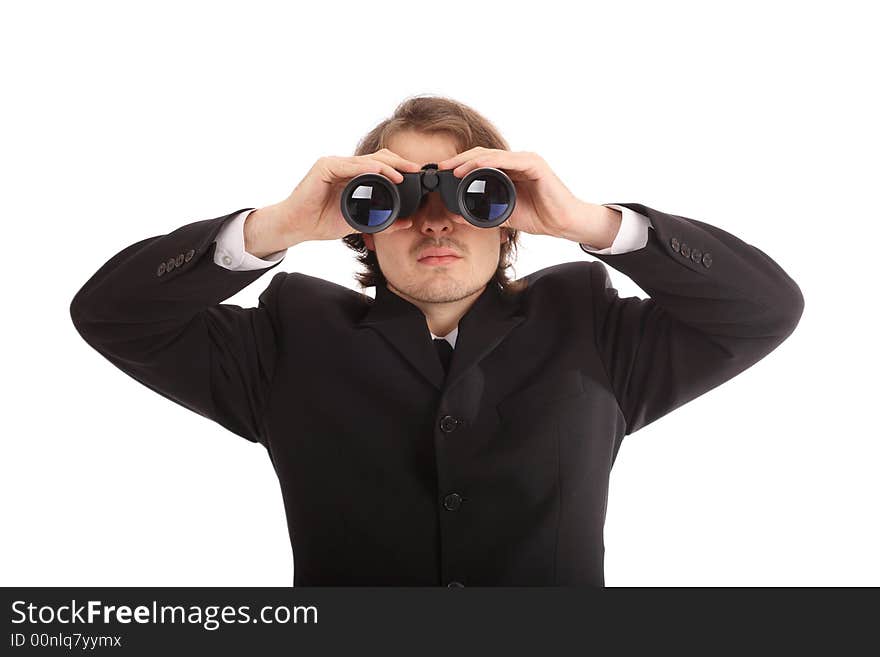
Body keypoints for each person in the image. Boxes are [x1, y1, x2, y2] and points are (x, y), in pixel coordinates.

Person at [69, 96, 804, 587]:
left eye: (471, 194)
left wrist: (590, 222)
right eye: (394, 198)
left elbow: (764, 309)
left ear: (511, 212)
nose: (435, 219)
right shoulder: (287, 338)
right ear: (357, 218)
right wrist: (274, 227)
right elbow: (111, 314)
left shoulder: (592, 326)